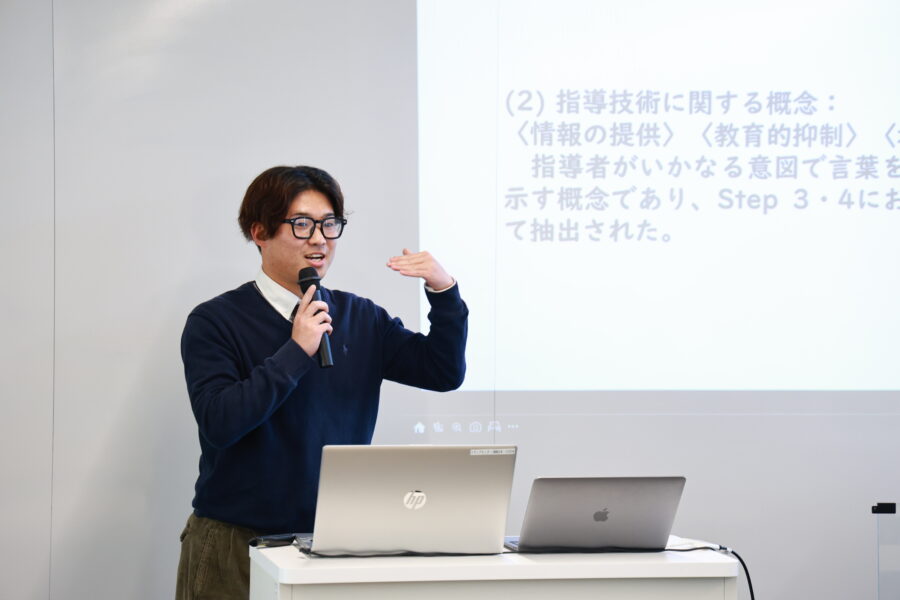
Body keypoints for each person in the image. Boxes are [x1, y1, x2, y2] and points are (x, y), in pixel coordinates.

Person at [175, 165, 467, 599]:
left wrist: (444, 293)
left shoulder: (360, 316)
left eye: (330, 224)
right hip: (235, 543)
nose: (320, 239)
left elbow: (442, 372)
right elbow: (220, 422)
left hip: (331, 543)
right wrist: (295, 351)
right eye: (302, 224)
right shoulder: (215, 320)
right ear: (259, 232)